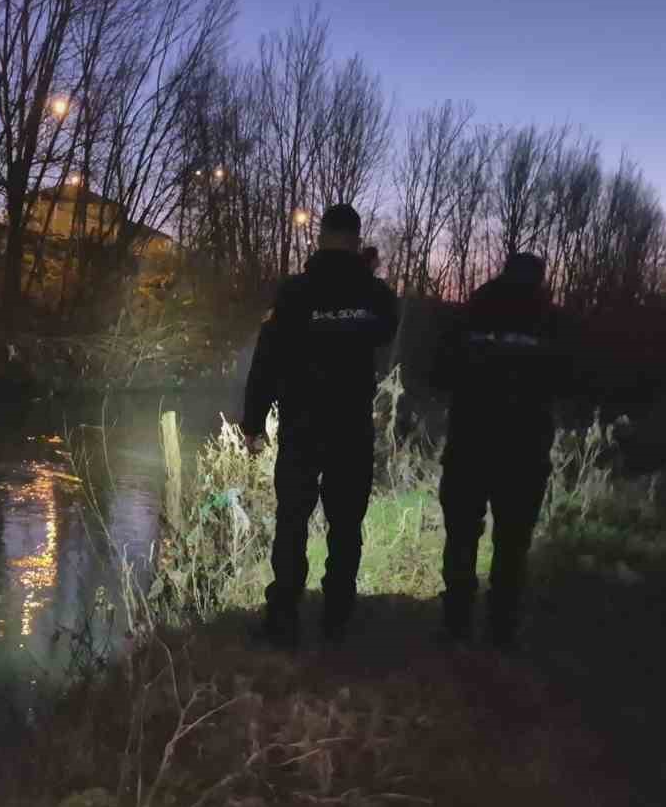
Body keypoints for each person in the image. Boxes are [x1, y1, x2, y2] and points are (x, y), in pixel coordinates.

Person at [241, 204, 399, 647]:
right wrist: (363, 276)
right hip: (351, 428)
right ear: (355, 237)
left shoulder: (294, 292)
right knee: (346, 524)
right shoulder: (374, 294)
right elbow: (388, 328)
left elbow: (265, 361)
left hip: (302, 426)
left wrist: (253, 422)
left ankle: (283, 616)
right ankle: (337, 618)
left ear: (321, 237)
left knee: (291, 519)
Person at [430, 252, 567, 650]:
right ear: (538, 280)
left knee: (461, 537)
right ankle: (501, 628)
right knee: (512, 542)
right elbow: (574, 377)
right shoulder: (551, 322)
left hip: (468, 445)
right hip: (524, 451)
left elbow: (438, 371)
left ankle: (456, 622)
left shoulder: (470, 314)